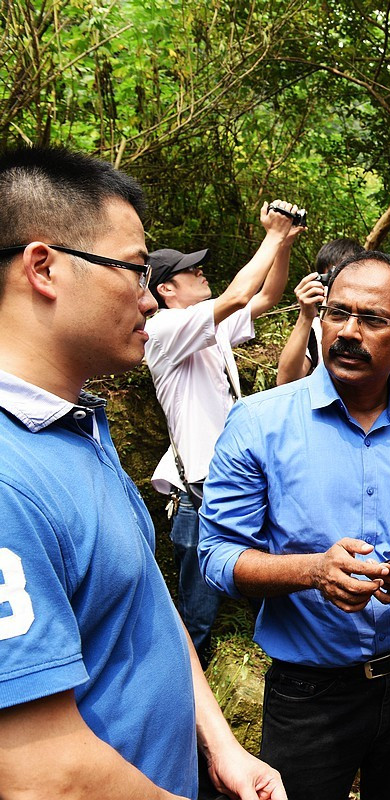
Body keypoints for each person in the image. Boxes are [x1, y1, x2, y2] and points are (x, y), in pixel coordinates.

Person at [0, 146, 285, 800]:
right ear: (43, 267)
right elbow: (41, 775)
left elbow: (145, 600)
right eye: (134, 270)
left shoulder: (74, 426)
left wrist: (219, 743)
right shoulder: (8, 478)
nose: (148, 300)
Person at [199, 250, 390, 800]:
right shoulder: (258, 423)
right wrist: (313, 571)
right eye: (337, 313)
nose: (349, 332)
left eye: (372, 319)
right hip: (310, 693)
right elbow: (218, 556)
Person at [144, 202, 303, 661]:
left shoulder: (204, 328)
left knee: (256, 570)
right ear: (166, 289)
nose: (201, 273)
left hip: (232, 474)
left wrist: (284, 244)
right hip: (200, 483)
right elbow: (237, 296)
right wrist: (271, 235)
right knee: (198, 608)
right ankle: (187, 682)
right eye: (190, 271)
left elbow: (266, 296)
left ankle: (280, 654)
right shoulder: (163, 329)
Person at [276, 238, 390, 386]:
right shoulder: (318, 326)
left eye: (373, 320)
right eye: (333, 277)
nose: (348, 332)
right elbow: (286, 383)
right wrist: (306, 316)